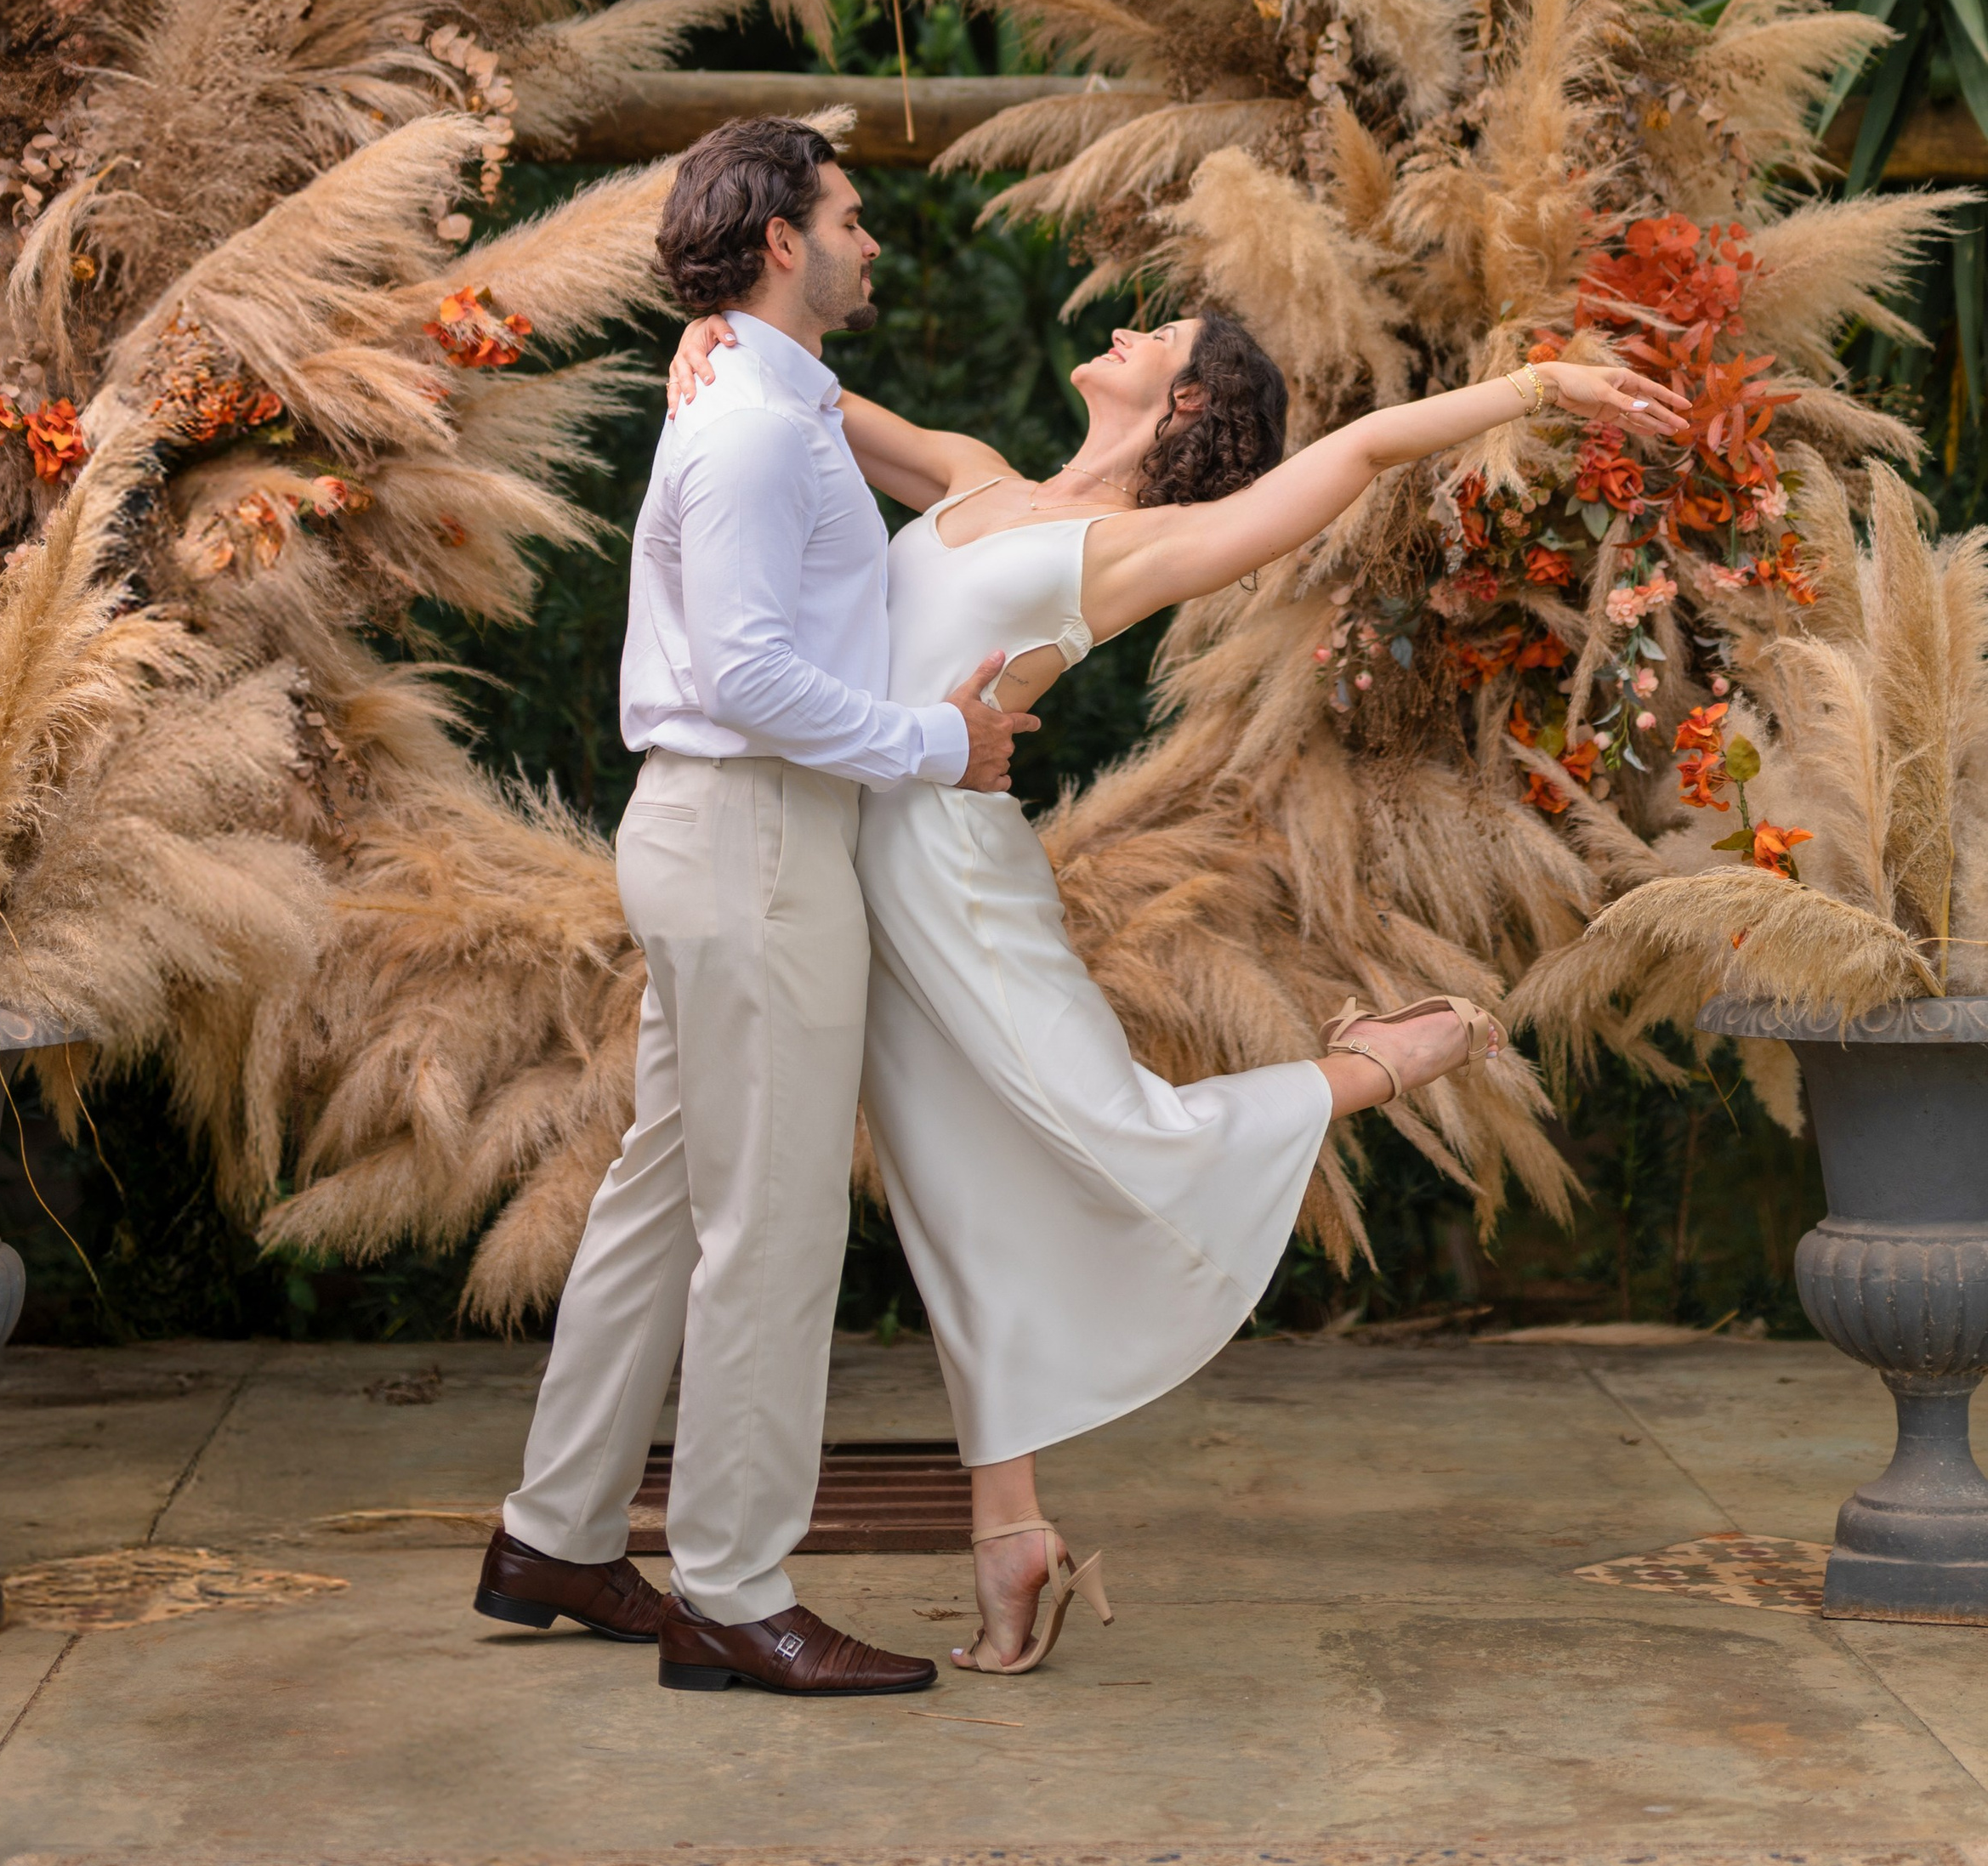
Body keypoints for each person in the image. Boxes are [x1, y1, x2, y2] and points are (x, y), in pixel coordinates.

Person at [667, 272, 1684, 1677]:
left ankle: (1369, 1069)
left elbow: (1364, 452)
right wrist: (708, 335)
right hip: (855, 851)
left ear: (1187, 401)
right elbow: (807, 402)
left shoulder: (1142, 546)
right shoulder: (973, 473)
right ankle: (1010, 1538)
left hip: (949, 878)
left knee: (1106, 1131)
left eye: (1164, 340)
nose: (1130, 332)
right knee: (956, 1199)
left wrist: (1545, 386)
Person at [474, 118, 1038, 1699]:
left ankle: (560, 1535)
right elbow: (745, 676)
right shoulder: (749, 431)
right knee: (770, 1227)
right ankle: (731, 1588)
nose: (871, 243)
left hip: (733, 838)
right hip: (757, 840)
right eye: (851, 218)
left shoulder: (757, 393)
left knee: (667, 1198)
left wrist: (706, 334)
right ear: (785, 239)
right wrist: (947, 745)